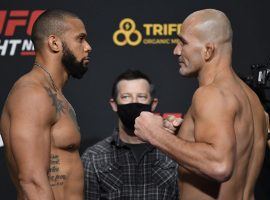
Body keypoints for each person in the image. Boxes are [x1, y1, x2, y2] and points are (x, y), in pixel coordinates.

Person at [134, 9, 267, 200]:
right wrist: (180, 136)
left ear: (208, 50)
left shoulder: (211, 94)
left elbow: (219, 166)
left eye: (183, 42)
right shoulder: (252, 99)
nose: (176, 50)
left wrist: (156, 135)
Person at [0, 9, 91, 199]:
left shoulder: (54, 94)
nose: (88, 46)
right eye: (80, 39)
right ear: (54, 43)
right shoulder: (32, 93)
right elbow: (32, 182)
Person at [82, 69, 179, 200]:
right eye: (126, 97)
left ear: (153, 104)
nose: (134, 102)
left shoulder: (174, 153)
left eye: (141, 97)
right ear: (114, 104)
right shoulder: (93, 158)